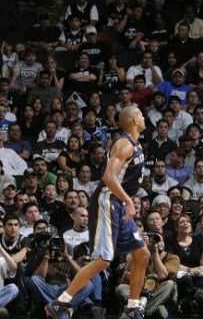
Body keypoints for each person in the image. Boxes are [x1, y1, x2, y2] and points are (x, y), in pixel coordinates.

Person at [46, 106, 151, 319]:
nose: (143, 117)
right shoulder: (123, 144)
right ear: (132, 120)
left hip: (119, 203)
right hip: (108, 201)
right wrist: (129, 200)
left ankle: (132, 307)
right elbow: (108, 177)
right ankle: (60, 303)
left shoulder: (136, 143)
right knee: (103, 259)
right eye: (140, 114)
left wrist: (126, 201)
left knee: (142, 254)